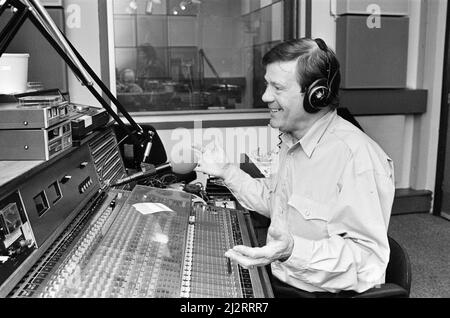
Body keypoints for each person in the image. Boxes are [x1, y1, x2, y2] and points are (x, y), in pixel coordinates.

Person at [193, 38, 395, 297]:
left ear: (316, 95)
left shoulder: (357, 158)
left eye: (277, 87)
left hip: (317, 294)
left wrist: (291, 251)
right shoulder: (291, 141)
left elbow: (368, 263)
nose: (265, 96)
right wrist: (227, 171)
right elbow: (276, 202)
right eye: (267, 84)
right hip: (280, 279)